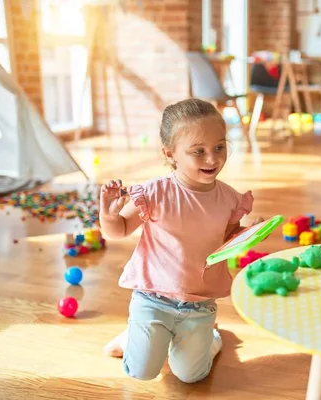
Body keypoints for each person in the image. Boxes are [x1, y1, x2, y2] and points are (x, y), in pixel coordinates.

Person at [99, 98, 262, 383]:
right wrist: (107, 213)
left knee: (191, 376)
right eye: (198, 151)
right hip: (152, 298)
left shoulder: (229, 198)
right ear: (170, 153)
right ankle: (134, 336)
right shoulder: (153, 193)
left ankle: (211, 338)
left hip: (199, 304)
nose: (212, 159)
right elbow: (119, 230)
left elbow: (225, 241)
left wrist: (247, 234)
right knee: (140, 371)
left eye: (219, 147)